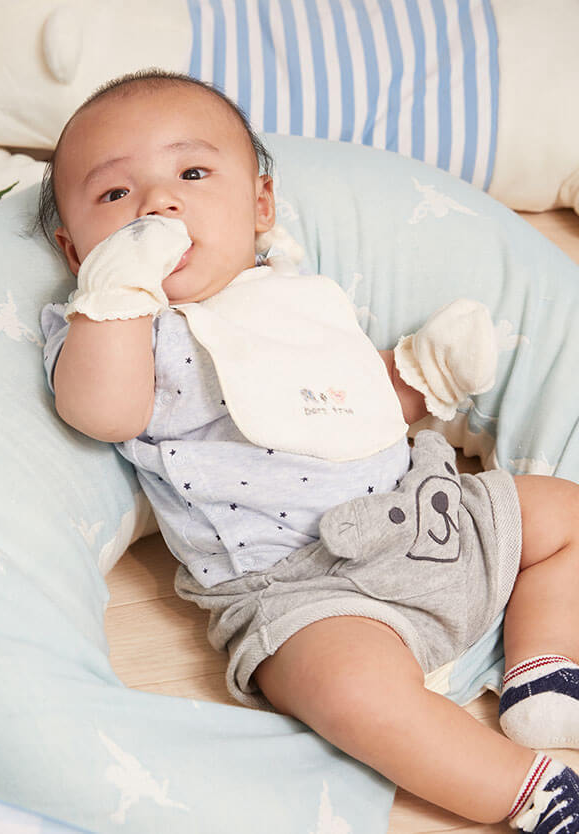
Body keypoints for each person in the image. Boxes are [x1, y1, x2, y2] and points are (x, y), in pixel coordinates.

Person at [39, 69, 579, 833]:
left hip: (428, 514)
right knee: (354, 694)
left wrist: (419, 378)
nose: (160, 203)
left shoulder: (296, 290)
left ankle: (544, 670)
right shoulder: (114, 327)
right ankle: (525, 791)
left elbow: (342, 407)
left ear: (259, 206)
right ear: (72, 247)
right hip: (304, 588)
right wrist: (116, 292)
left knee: (564, 513)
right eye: (114, 197)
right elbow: (104, 411)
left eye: (193, 174)